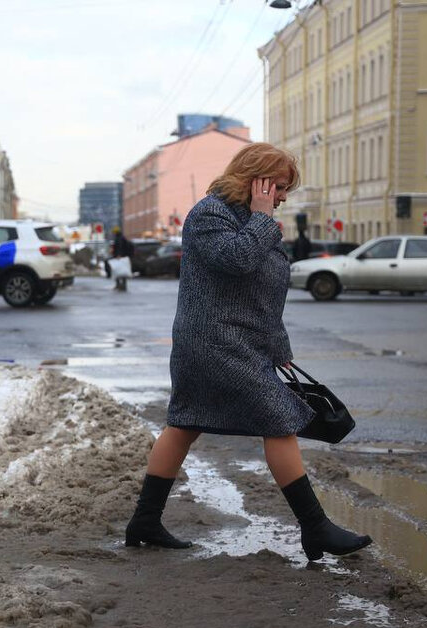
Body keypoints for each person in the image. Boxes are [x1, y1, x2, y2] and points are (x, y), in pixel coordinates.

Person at [123, 142, 372, 561]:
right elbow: (235, 260)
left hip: (242, 341)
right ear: (255, 178)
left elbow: (265, 291)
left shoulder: (257, 220)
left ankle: (145, 521)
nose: (283, 196)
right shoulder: (210, 214)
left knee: (185, 423)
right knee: (278, 420)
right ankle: (316, 528)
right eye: (278, 186)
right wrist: (260, 217)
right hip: (212, 341)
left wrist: (278, 348)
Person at [110, 226, 134, 291]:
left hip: (120, 257)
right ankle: (121, 285)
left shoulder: (119, 238)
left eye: (113, 233)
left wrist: (119, 255)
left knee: (118, 270)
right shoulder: (121, 237)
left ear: (115, 232)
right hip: (122, 256)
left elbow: (119, 247)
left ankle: (120, 285)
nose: (113, 234)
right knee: (121, 270)